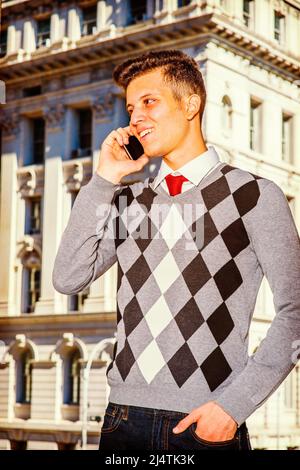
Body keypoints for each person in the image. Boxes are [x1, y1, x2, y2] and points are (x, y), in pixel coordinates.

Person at [52, 50, 300, 451]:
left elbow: (296, 311)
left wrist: (233, 408)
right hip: (122, 421)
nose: (135, 118)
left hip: (206, 424)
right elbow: (68, 278)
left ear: (191, 105)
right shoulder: (127, 200)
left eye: (149, 102)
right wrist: (104, 178)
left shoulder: (254, 195)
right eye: (131, 107)